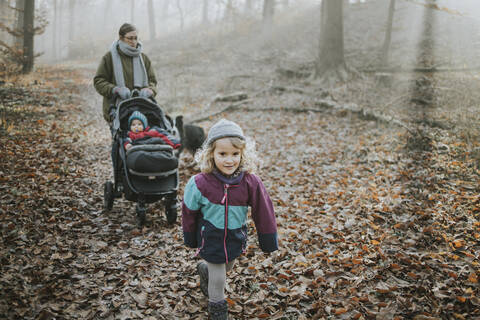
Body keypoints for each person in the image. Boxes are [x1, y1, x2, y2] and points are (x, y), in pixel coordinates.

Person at [181, 119, 278, 320]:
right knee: (218, 280)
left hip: (235, 236)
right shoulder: (200, 183)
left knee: (228, 265)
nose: (229, 160)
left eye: (235, 154)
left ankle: (204, 270)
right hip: (211, 237)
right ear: (211, 154)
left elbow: (263, 209)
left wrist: (268, 239)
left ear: (243, 154)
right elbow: (188, 210)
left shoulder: (250, 182)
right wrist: (190, 236)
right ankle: (217, 311)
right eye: (222, 154)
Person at [93, 23, 157, 124]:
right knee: (121, 139)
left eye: (136, 38)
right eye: (130, 38)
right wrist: (114, 89)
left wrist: (150, 90)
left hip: (142, 109)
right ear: (121, 38)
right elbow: (98, 81)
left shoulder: (144, 58)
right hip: (117, 110)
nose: (134, 42)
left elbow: (152, 81)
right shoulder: (109, 57)